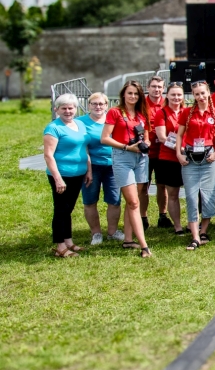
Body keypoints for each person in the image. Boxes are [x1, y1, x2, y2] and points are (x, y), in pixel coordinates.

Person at [100, 81, 152, 257]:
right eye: (130, 93)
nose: (133, 97)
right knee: (134, 202)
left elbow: (146, 136)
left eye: (136, 94)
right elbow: (105, 138)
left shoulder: (142, 113)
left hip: (141, 158)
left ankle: (128, 240)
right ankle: (144, 246)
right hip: (123, 156)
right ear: (123, 94)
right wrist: (126, 147)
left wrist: (146, 143)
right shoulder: (115, 112)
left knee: (133, 202)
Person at [175, 80, 215, 249]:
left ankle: (203, 230)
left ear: (208, 92)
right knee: (191, 196)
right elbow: (179, 135)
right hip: (190, 158)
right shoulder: (187, 113)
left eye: (203, 93)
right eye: (197, 94)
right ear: (193, 96)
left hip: (208, 158)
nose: (201, 96)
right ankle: (195, 236)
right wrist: (178, 153)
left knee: (208, 196)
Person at [44, 94, 90, 257]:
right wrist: (58, 179)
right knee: (61, 210)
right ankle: (60, 246)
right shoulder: (53, 128)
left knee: (68, 209)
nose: (68, 111)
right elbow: (48, 155)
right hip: (62, 175)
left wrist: (88, 170)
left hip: (78, 173)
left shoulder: (79, 124)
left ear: (75, 109)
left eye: (71, 108)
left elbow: (85, 148)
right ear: (56, 110)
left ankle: (69, 241)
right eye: (63, 108)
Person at [77, 92, 122, 244]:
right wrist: (88, 168)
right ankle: (96, 233)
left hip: (113, 166)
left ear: (106, 106)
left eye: (101, 104)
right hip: (91, 167)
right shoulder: (80, 122)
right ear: (88, 105)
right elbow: (81, 146)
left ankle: (112, 231)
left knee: (114, 200)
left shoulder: (113, 120)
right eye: (94, 104)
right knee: (90, 200)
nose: (98, 107)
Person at [152, 83, 186, 235]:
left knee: (194, 192)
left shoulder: (187, 112)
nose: (176, 98)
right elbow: (162, 137)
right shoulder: (162, 113)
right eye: (173, 95)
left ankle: (195, 224)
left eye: (179, 95)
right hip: (168, 159)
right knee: (173, 194)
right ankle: (177, 226)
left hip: (187, 158)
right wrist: (180, 149)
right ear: (167, 96)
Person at [142, 74, 167, 230]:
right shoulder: (141, 105)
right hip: (145, 153)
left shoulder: (167, 103)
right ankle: (143, 217)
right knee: (144, 186)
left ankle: (162, 215)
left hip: (163, 152)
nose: (156, 89)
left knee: (162, 185)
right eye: (154, 86)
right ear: (148, 88)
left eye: (159, 87)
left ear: (163, 89)